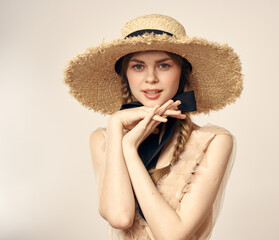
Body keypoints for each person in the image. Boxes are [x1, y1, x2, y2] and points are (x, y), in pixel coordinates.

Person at [63, 14, 243, 240]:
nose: (151, 78)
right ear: (126, 75)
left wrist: (129, 148)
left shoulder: (213, 141)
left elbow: (172, 236)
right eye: (138, 66)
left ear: (182, 72)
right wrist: (116, 124)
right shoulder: (103, 138)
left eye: (164, 65)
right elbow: (120, 217)